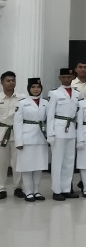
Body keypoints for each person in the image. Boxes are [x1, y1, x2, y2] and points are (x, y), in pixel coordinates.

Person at [47, 67, 80, 200]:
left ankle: (66, 188)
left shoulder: (77, 94)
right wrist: (50, 134)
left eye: (69, 77)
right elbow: (49, 115)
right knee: (57, 161)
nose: (67, 79)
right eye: (64, 77)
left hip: (71, 129)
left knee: (69, 161)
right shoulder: (54, 93)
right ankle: (56, 190)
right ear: (60, 78)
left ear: (72, 78)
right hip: (58, 129)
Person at [14, 78, 48, 202]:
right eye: (33, 87)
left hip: (41, 138)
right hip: (26, 138)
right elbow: (17, 123)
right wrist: (19, 141)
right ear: (29, 88)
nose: (36, 89)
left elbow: (48, 121)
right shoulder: (22, 103)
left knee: (39, 166)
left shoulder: (45, 102)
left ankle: (36, 191)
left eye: (38, 87)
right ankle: (28, 192)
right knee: (27, 166)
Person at [0, 71, 22, 199]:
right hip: (1, 133)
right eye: (8, 81)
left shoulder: (21, 98)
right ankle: (1, 187)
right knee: (1, 163)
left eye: (13, 80)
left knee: (17, 162)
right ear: (2, 82)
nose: (11, 83)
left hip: (16, 133)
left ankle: (18, 187)